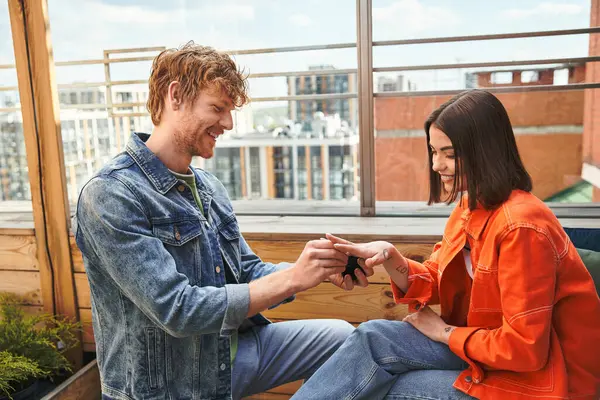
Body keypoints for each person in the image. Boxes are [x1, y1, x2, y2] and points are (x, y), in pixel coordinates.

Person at [73, 42, 368, 400]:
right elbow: (177, 309)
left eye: (230, 111)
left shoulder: (207, 186)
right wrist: (292, 278)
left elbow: (245, 271)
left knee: (344, 339)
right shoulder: (111, 195)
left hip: (230, 356)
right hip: (173, 387)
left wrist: (312, 270)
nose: (227, 123)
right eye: (218, 108)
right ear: (175, 96)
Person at [290, 89, 600, 400]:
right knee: (373, 338)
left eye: (450, 154)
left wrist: (444, 333)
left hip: (543, 379)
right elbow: (439, 278)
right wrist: (389, 256)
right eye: (434, 152)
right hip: (484, 352)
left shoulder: (522, 227)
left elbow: (525, 350)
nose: (438, 165)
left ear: (486, 152)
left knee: (387, 387)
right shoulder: (469, 209)